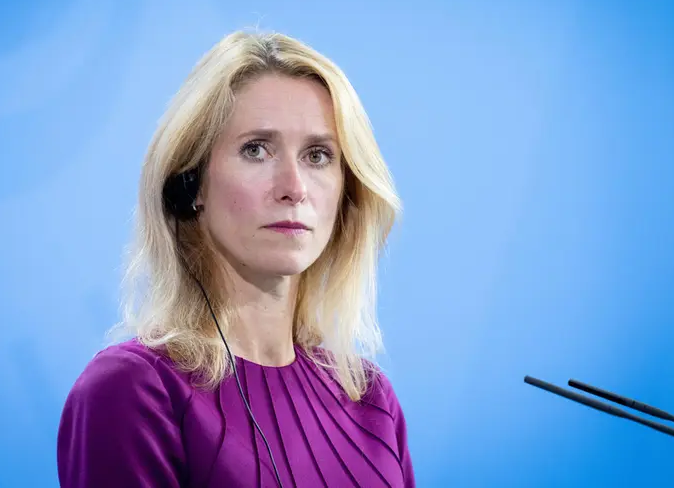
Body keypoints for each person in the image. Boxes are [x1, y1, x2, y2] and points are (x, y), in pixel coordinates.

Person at [56, 29, 415, 487]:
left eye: (318, 155)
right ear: (191, 186)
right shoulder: (134, 391)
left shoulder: (370, 399)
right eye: (256, 149)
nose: (294, 187)